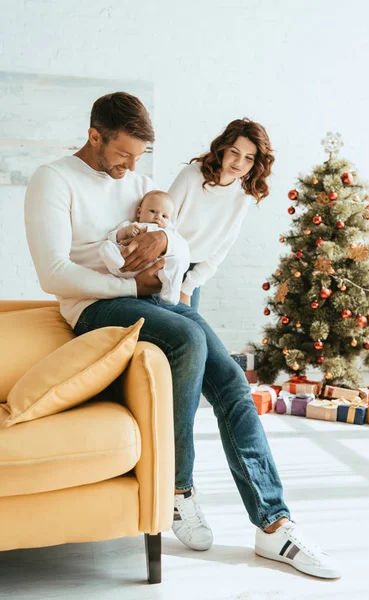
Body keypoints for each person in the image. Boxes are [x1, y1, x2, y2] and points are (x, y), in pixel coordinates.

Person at [24, 92, 341, 580]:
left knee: (234, 381)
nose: (131, 167)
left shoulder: (139, 180)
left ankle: (274, 525)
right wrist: (130, 283)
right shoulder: (53, 179)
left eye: (139, 156)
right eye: (123, 154)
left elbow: (178, 234)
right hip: (94, 305)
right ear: (94, 136)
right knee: (187, 341)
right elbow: (53, 272)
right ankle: (178, 490)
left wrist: (169, 240)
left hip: (151, 297)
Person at [168, 118, 271, 311]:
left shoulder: (242, 195)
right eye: (234, 152)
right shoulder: (192, 175)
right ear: (223, 148)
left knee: (197, 335)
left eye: (249, 158)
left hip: (194, 274)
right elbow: (163, 225)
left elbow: (222, 248)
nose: (239, 163)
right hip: (165, 267)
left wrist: (188, 287)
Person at [99, 189, 189, 305]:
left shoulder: (167, 232)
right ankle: (115, 262)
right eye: (152, 211)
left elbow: (181, 249)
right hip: (125, 265)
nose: (158, 217)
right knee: (107, 246)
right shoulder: (131, 225)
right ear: (139, 212)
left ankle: (170, 291)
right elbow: (112, 237)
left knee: (176, 261)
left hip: (154, 271)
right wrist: (125, 232)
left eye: (164, 216)